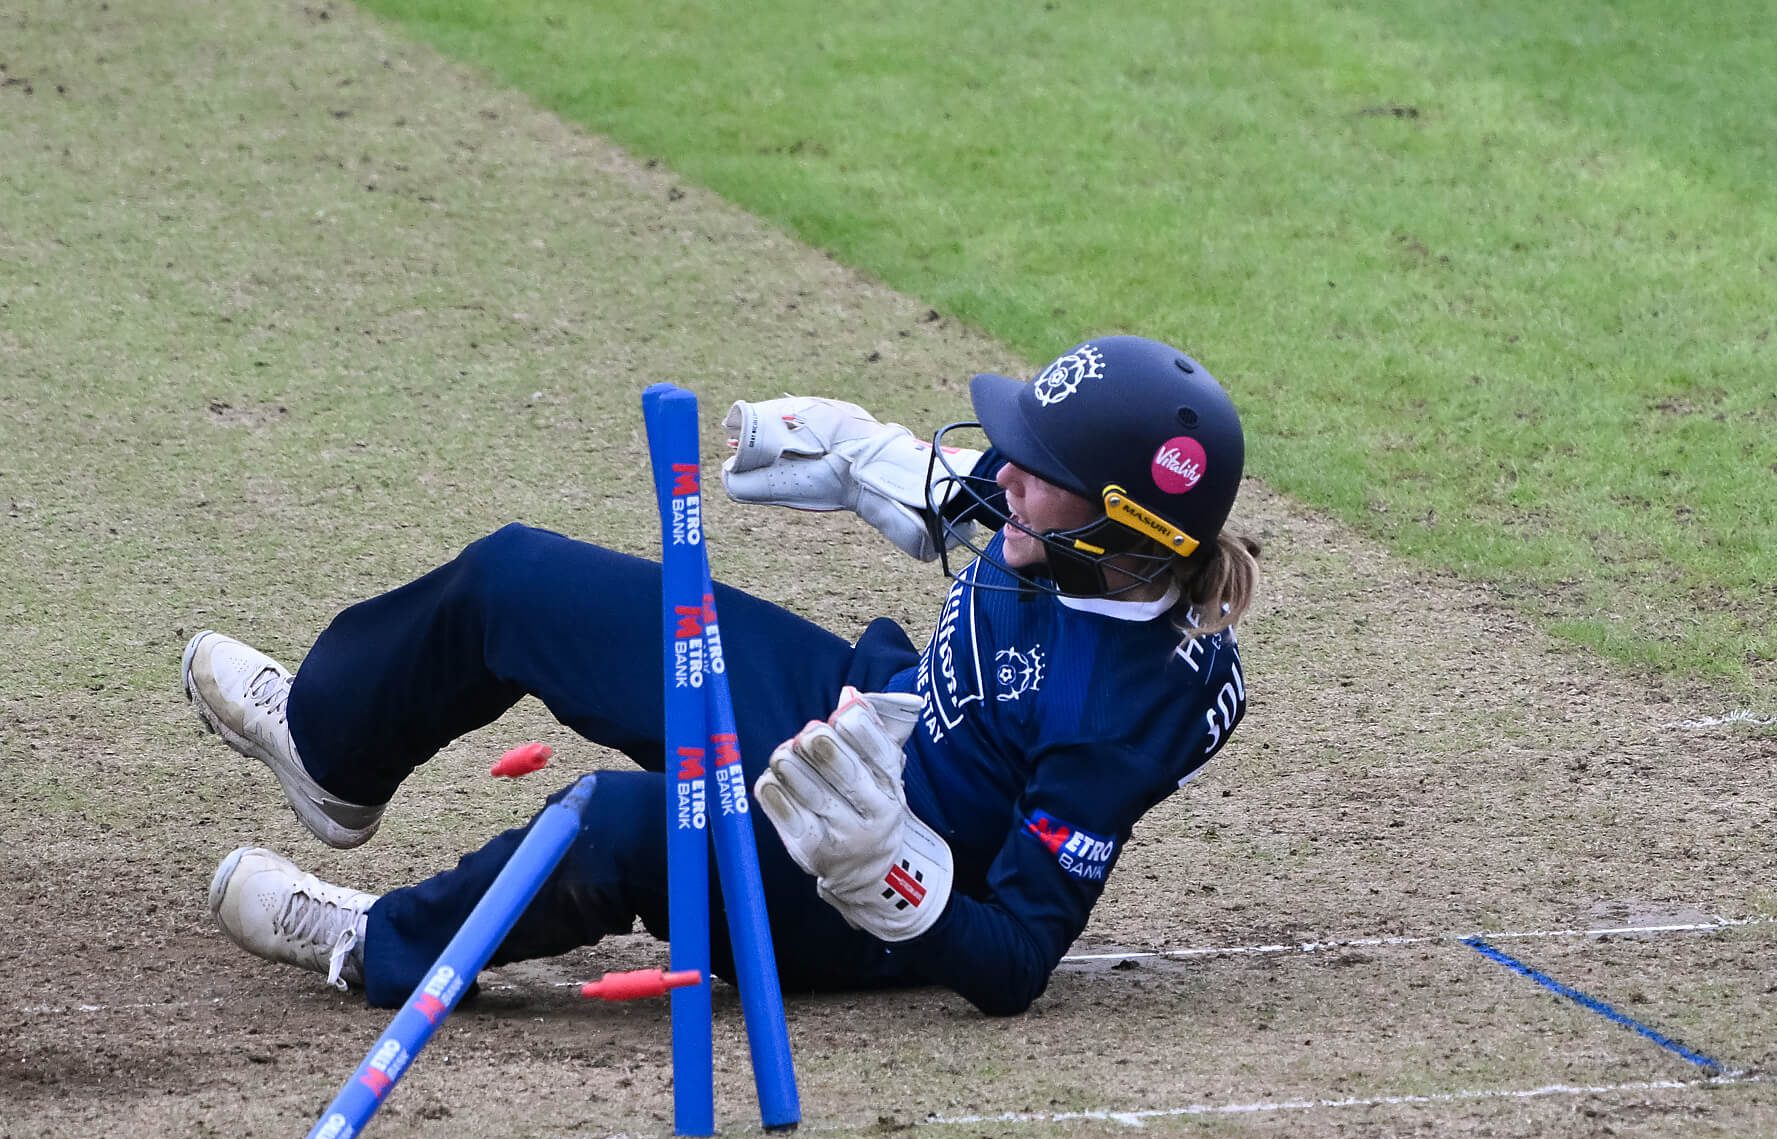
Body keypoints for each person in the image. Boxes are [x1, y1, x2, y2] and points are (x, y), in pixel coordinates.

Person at [185, 336, 1256, 1016]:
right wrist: (872, 459)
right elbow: (982, 498)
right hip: (870, 718)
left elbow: (1020, 954)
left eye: (1041, 470)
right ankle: (332, 750)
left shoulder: (1118, 717)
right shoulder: (1062, 528)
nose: (1004, 472)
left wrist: (890, 869)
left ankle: (376, 944)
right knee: (517, 579)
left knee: (609, 824)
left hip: (867, 877)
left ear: (1123, 524)